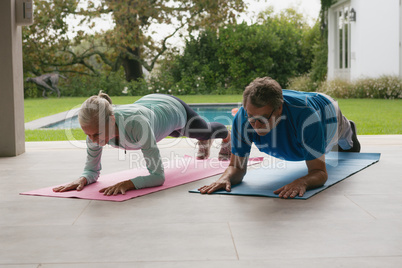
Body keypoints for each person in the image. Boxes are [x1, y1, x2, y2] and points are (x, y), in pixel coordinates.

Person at [198, 77, 360, 199]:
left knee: (346, 144)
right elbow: (237, 168)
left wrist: (302, 181)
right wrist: (225, 178)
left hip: (326, 111)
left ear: (279, 109)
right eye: (251, 116)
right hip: (299, 114)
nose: (255, 124)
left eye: (262, 118)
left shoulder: (307, 117)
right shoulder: (242, 118)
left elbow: (319, 172)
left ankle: (349, 129)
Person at [53, 92, 231, 196]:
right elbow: (92, 170)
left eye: (96, 134)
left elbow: (158, 176)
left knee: (202, 131)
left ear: (112, 119)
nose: (92, 140)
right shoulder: (94, 131)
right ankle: (202, 140)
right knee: (174, 133)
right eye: (88, 135)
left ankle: (226, 137)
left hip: (172, 107)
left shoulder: (137, 125)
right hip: (152, 111)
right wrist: (83, 178)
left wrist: (127, 184)